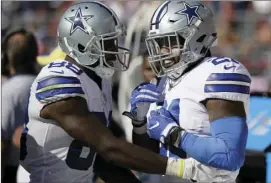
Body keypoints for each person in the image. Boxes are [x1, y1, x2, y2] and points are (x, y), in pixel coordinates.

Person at [20, 2, 191, 183]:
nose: (115, 49)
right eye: (108, 42)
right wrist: (182, 168)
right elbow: (109, 148)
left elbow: (100, 159)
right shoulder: (59, 80)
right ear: (82, 45)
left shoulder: (98, 81)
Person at [124, 1, 251, 182]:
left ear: (197, 37)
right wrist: (140, 126)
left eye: (170, 42)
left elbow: (229, 156)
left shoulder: (216, 74)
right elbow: (149, 157)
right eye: (159, 43)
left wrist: (171, 132)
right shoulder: (165, 82)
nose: (162, 51)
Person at [1, 28, 39, 183]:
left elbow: (2, 142)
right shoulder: (46, 84)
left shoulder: (8, 90)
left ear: (7, 58)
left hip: (15, 170)